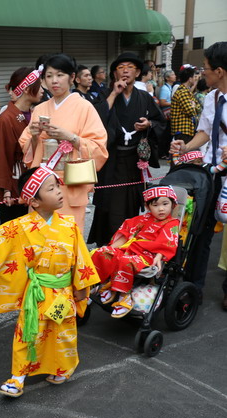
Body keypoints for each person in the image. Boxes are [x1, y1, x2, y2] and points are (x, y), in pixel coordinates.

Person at [0, 166, 99, 398]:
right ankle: (18, 377)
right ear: (35, 202)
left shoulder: (70, 226)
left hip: (62, 291)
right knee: (28, 332)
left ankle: (62, 368)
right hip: (37, 291)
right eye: (51, 189)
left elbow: (80, 258)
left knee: (62, 333)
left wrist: (82, 289)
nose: (60, 192)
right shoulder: (21, 227)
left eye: (58, 186)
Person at [19, 53, 109, 232]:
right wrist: (35, 137)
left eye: (60, 75)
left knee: (67, 238)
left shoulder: (85, 107)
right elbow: (25, 145)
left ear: (72, 77)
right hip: (43, 184)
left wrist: (72, 138)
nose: (54, 81)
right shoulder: (39, 109)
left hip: (70, 183)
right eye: (49, 76)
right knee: (40, 237)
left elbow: (99, 148)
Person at [88, 52, 166, 246]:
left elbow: (160, 121)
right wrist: (114, 93)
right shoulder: (106, 94)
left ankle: (127, 244)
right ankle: (108, 246)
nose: (125, 70)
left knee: (131, 204)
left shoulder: (144, 97)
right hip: (112, 160)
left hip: (134, 160)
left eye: (130, 67)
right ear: (115, 73)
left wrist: (148, 123)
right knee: (109, 205)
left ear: (138, 72)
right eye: (120, 67)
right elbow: (95, 118)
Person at [170, 42, 227, 305]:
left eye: (205, 69)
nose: (202, 73)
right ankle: (194, 287)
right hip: (212, 174)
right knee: (201, 230)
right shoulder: (212, 98)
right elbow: (204, 132)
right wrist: (186, 147)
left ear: (220, 71)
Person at [91, 185, 180, 317]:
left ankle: (124, 295)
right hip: (129, 250)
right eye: (155, 205)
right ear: (148, 207)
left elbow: (167, 242)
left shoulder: (171, 223)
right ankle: (103, 284)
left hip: (148, 256)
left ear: (173, 204)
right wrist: (111, 248)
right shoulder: (143, 219)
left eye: (165, 204)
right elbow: (126, 232)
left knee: (125, 261)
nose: (161, 209)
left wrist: (159, 256)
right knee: (101, 252)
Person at [0, 67, 43, 224]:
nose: (42, 90)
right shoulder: (6, 118)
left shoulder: (35, 113)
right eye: (39, 86)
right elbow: (2, 156)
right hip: (15, 183)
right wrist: (5, 190)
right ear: (27, 88)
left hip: (34, 178)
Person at [171, 65, 202, 144]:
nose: (195, 79)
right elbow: (190, 111)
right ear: (190, 78)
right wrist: (194, 106)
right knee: (182, 154)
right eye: (194, 77)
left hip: (187, 130)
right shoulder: (182, 92)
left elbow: (199, 107)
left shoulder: (187, 92)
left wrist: (194, 106)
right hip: (182, 130)